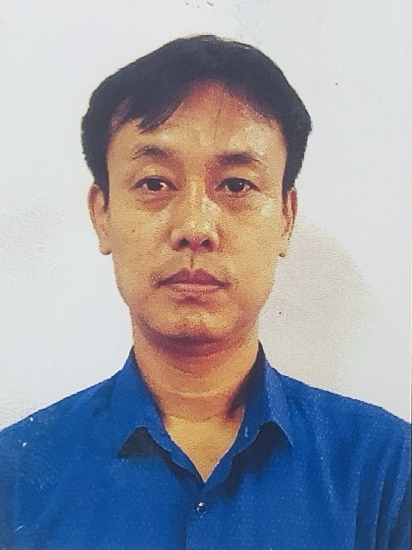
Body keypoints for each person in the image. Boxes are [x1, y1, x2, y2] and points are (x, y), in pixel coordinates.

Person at [0, 34, 409, 550]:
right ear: (102, 214)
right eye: (154, 183)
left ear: (286, 218)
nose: (195, 226)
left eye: (236, 185)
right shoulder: (14, 477)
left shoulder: (386, 472)